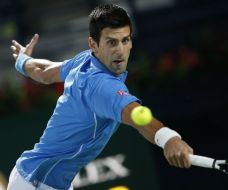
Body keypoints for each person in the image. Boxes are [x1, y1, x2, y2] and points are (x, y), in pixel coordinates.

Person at [8, 4, 193, 190]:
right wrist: (169, 138)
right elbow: (136, 115)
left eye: (125, 40)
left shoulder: (85, 60)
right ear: (93, 44)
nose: (120, 50)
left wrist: (23, 61)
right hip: (37, 183)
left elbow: (45, 72)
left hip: (34, 177)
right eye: (112, 42)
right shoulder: (102, 85)